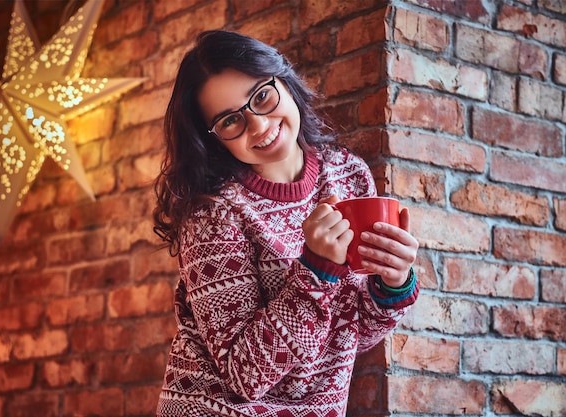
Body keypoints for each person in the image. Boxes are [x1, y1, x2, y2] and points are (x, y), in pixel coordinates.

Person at [153, 30, 419, 417]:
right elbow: (244, 376)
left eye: (262, 96)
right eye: (231, 120)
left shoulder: (348, 175)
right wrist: (316, 271)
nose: (258, 126)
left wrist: (393, 283)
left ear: (285, 80)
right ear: (214, 139)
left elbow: (351, 333)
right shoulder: (212, 211)